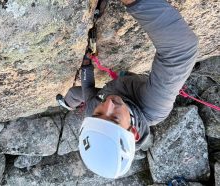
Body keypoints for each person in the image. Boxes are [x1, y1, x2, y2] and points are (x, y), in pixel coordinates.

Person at [56, 0, 198, 179]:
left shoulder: (93, 111)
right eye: (115, 119)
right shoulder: (154, 106)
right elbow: (181, 49)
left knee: (75, 94)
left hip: (116, 86)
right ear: (134, 132)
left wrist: (86, 64)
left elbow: (89, 89)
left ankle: (67, 103)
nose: (108, 105)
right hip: (130, 86)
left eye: (99, 115)